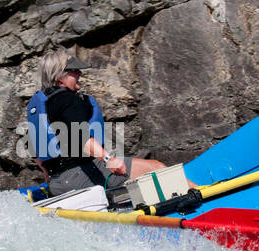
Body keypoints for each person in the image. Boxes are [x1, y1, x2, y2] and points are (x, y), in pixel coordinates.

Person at [26, 50, 170, 197]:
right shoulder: (67, 99)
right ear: (59, 77)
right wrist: (110, 160)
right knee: (156, 168)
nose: (79, 74)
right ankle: (194, 202)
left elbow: (32, 147)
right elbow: (80, 138)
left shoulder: (42, 105)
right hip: (79, 176)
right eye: (74, 71)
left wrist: (47, 175)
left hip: (57, 184)